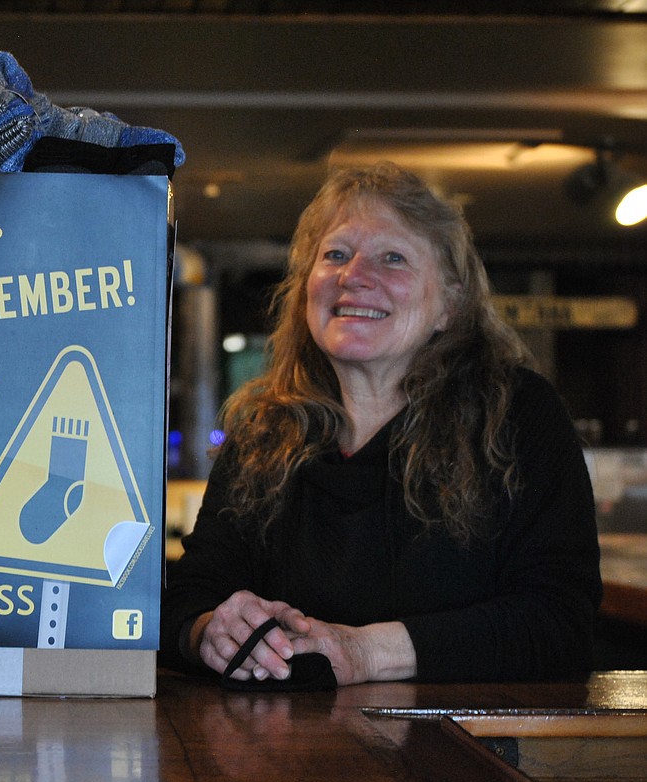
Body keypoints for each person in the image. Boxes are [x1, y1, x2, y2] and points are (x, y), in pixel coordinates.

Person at [160, 162, 602, 687]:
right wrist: (211, 629)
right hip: (287, 755)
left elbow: (560, 626)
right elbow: (186, 598)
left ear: (450, 305)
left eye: (393, 258)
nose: (354, 277)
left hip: (463, 757)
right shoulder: (264, 432)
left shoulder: (517, 416)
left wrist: (366, 652)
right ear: (307, 291)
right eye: (336, 255)